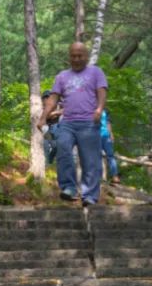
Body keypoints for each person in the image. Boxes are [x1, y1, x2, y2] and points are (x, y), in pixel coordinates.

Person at [39, 42, 107, 206]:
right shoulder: (62, 76)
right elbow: (53, 98)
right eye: (73, 56)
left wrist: (99, 109)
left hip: (89, 122)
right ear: (69, 56)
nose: (76, 59)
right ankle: (68, 188)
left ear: (86, 56)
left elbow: (102, 91)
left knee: (90, 160)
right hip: (68, 122)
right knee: (62, 149)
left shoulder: (95, 72)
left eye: (80, 55)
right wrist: (43, 117)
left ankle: (89, 196)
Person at [40, 89, 63, 168]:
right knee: (46, 145)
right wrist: (56, 113)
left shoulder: (58, 104)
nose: (46, 100)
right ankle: (47, 164)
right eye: (45, 98)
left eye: (48, 98)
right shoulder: (42, 107)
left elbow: (64, 110)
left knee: (55, 146)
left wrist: (55, 113)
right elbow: (45, 116)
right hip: (46, 129)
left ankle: (51, 161)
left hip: (56, 127)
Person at [99, 108, 119, 184]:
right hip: (95, 136)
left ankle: (115, 176)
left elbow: (108, 123)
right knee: (97, 156)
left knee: (110, 156)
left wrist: (111, 134)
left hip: (106, 136)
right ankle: (99, 177)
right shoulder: (91, 107)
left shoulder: (106, 111)